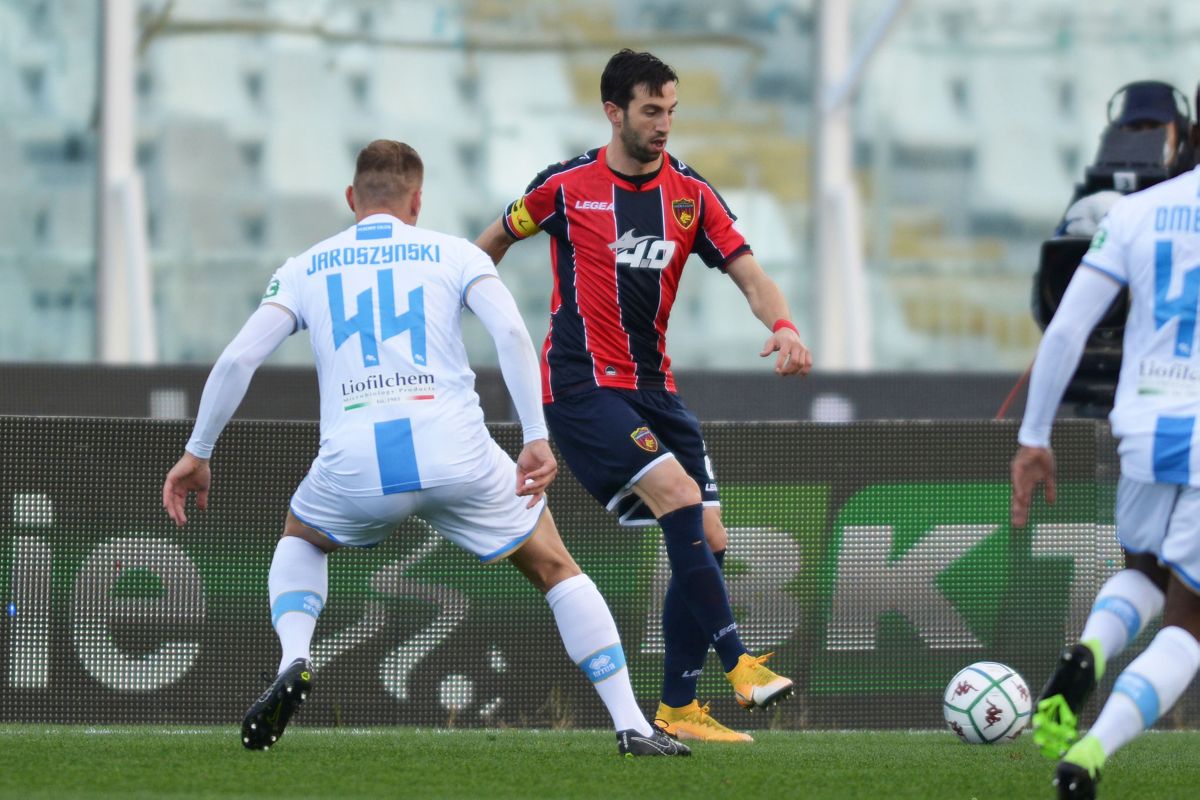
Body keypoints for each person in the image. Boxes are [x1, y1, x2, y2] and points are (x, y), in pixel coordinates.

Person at [161, 140, 687, 757]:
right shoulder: (456, 253)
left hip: (356, 461)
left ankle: (295, 657)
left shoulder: (306, 266)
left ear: (353, 199)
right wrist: (536, 438)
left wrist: (198, 452)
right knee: (553, 566)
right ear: (416, 202)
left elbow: (239, 357)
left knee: (301, 534)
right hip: (457, 451)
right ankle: (631, 724)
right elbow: (513, 334)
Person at [474, 49, 811, 743]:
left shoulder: (691, 194)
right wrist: (461, 301)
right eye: (651, 111)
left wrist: (782, 323)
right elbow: (493, 242)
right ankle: (739, 662)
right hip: (580, 387)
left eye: (671, 111)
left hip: (656, 391)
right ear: (614, 112)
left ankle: (678, 707)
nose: (663, 125)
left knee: (709, 537)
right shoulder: (565, 186)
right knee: (681, 501)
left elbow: (751, 276)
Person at [1011, 99, 1200, 798]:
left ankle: (1089, 648)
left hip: (1147, 425)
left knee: (1146, 574)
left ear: (1187, 133)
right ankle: (1088, 755)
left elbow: (1064, 331)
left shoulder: (1137, 210)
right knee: (1190, 623)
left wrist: (1034, 438)